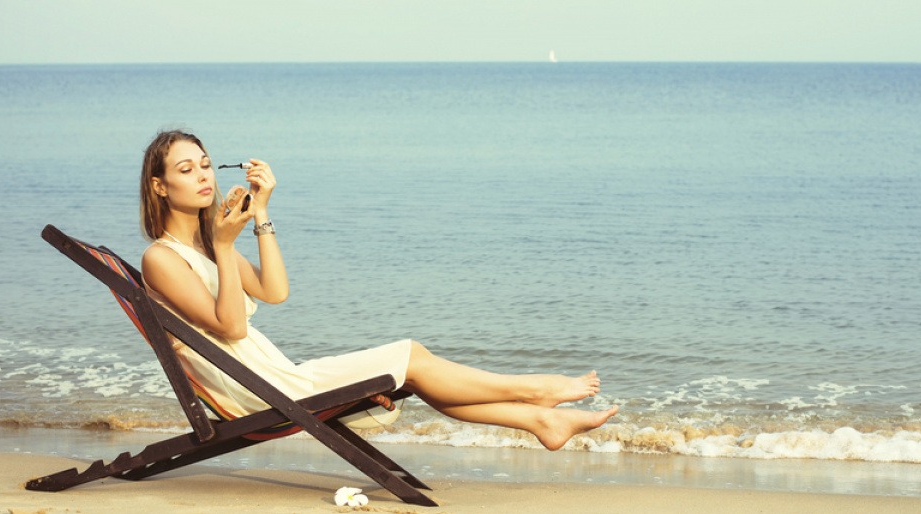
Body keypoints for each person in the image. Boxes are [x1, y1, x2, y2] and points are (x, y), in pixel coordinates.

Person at [139, 129, 618, 451]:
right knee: (410, 354)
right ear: (159, 187)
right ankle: (535, 392)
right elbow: (232, 325)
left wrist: (261, 212)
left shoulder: (206, 244)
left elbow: (275, 291)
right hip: (256, 392)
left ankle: (541, 421)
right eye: (185, 170)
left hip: (275, 376)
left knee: (417, 371)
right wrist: (225, 244)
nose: (203, 176)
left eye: (205, 165)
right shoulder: (161, 258)